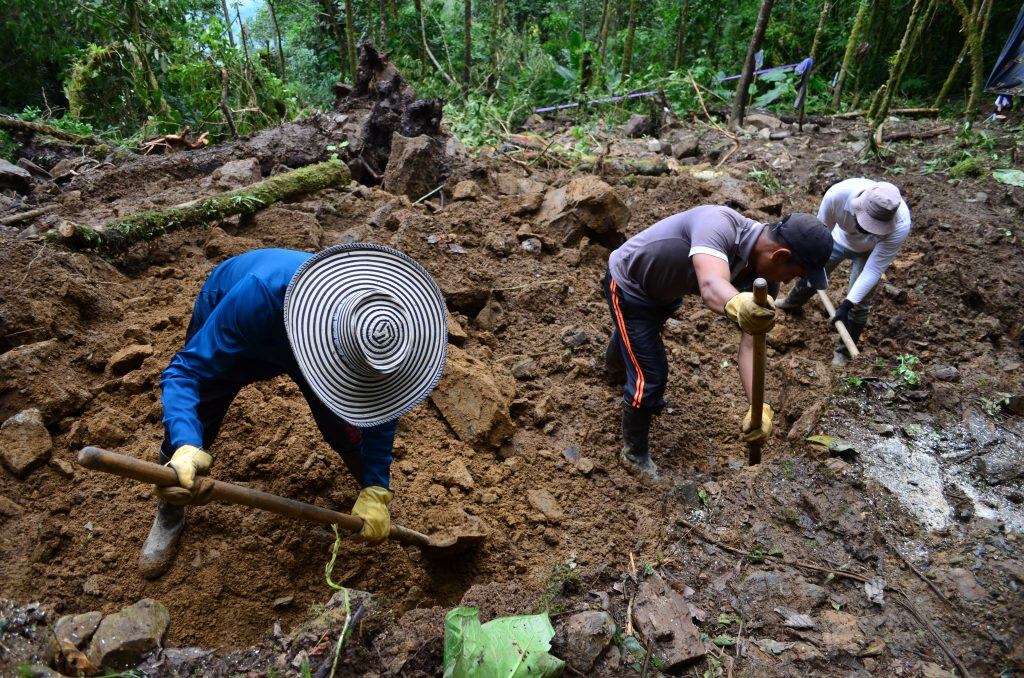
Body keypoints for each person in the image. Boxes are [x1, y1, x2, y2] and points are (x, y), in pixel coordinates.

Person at [140, 244, 449, 578]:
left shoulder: (387, 329)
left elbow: (381, 404)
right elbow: (187, 373)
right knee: (196, 418)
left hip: (316, 342)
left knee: (347, 426)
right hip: (245, 326)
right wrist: (186, 442)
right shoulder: (256, 296)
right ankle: (170, 508)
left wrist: (377, 484)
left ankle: (370, 494)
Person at [604, 206, 833, 480]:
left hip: (666, 292)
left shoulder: (764, 284)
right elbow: (711, 284)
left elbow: (751, 345)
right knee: (650, 376)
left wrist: (758, 408)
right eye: (793, 274)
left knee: (638, 338)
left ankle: (618, 365)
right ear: (781, 255)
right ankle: (633, 454)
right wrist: (737, 303)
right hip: (631, 286)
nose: (787, 281)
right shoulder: (718, 225)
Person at [776, 178, 910, 366]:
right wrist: (812, 265)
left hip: (870, 253)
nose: (868, 230)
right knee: (812, 273)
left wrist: (848, 304)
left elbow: (874, 269)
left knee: (860, 305)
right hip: (835, 240)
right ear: (858, 206)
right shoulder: (837, 196)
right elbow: (819, 235)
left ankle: (844, 353)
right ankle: (792, 303)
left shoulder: (901, 224)